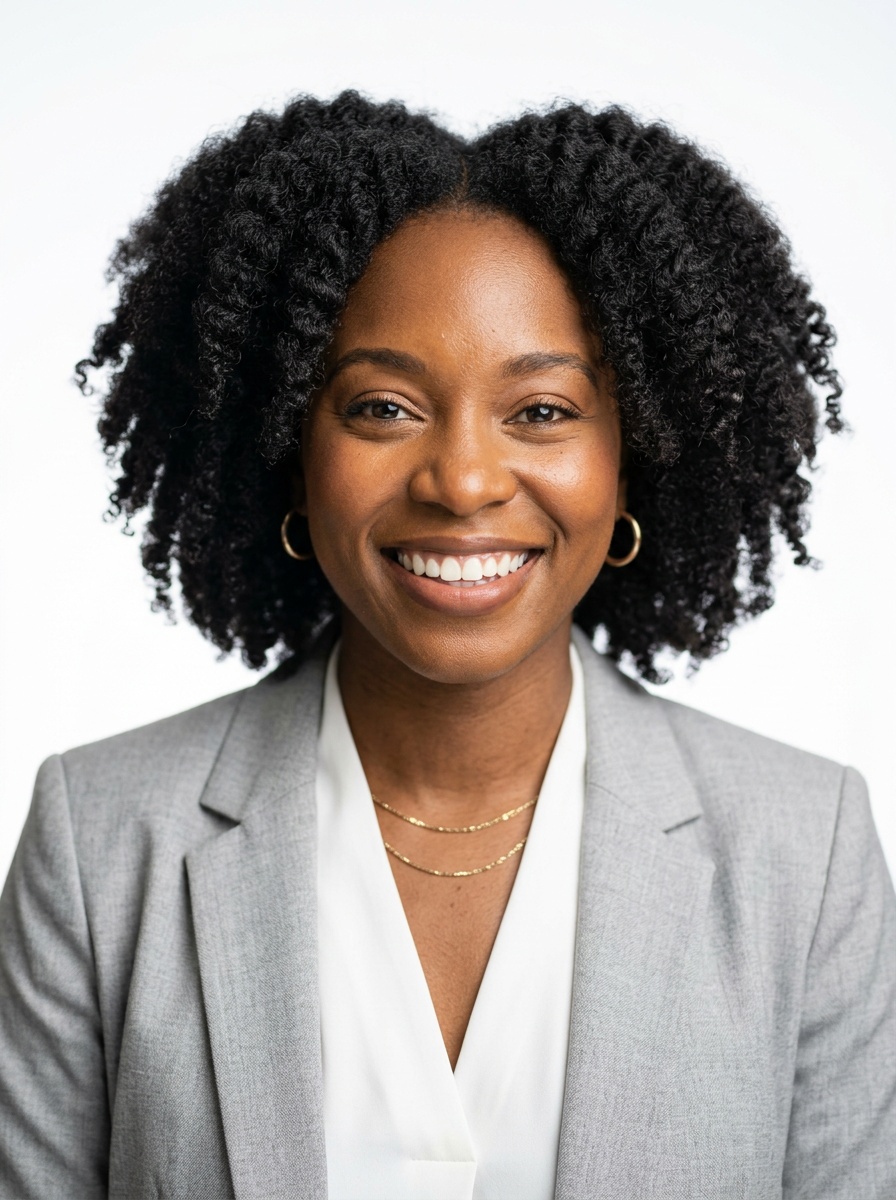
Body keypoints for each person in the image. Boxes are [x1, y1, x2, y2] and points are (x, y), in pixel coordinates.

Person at [0, 91, 893, 1200]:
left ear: (633, 455)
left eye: (541, 411)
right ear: (286, 441)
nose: (463, 480)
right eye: (381, 407)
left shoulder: (801, 858)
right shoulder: (99, 845)